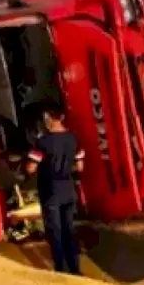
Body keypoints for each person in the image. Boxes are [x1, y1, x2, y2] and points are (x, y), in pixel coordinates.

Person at [24, 107, 85, 275]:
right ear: (62, 117)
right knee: (69, 230)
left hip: (51, 191)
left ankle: (61, 269)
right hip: (68, 189)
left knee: (55, 231)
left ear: (48, 117)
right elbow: (80, 166)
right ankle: (76, 269)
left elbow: (30, 168)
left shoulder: (43, 142)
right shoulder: (74, 138)